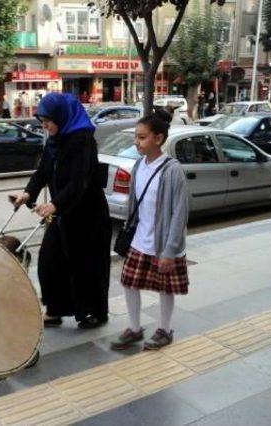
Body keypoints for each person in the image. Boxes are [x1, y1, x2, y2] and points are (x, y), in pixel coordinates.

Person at [10, 93, 112, 329]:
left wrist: (55, 204)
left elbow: (80, 181)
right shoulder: (55, 140)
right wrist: (28, 194)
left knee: (87, 264)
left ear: (62, 117)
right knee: (50, 261)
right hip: (64, 212)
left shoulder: (82, 140)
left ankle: (95, 312)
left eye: (48, 122)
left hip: (87, 214)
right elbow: (43, 171)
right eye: (42, 122)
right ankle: (55, 309)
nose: (45, 127)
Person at [110, 110, 189, 351]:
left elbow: (180, 212)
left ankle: (164, 330)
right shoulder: (138, 166)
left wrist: (169, 250)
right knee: (129, 282)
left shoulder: (172, 170)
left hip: (164, 243)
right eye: (136, 136)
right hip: (140, 239)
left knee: (165, 288)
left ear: (158, 138)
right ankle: (135, 328)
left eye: (142, 137)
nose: (136, 142)